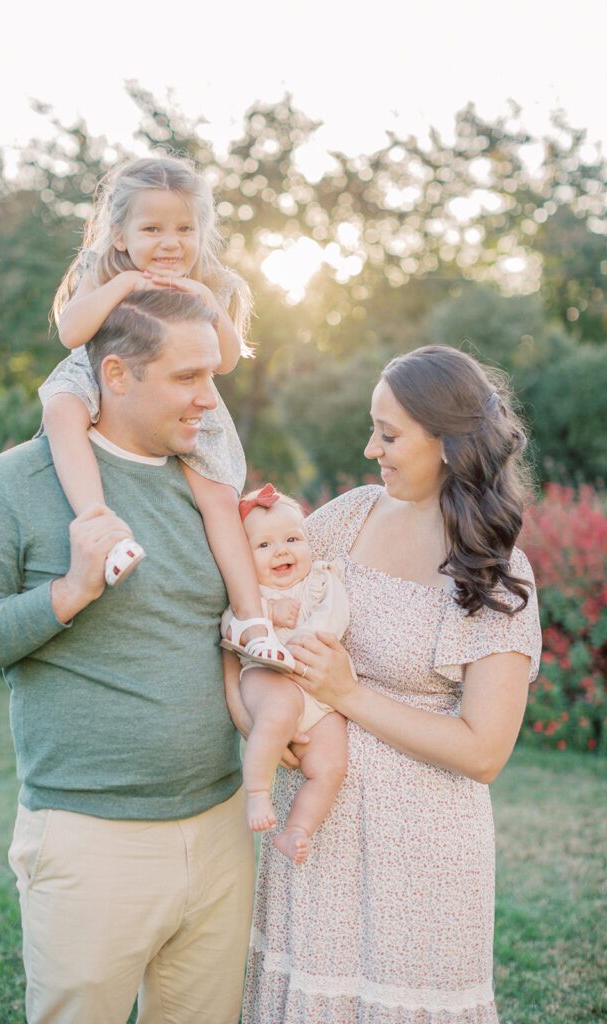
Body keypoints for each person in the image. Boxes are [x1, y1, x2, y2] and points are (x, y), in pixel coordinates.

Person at [0, 290, 256, 1024]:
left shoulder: (208, 485)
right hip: (89, 845)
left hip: (221, 830)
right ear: (115, 375)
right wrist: (68, 593)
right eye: (187, 378)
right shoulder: (20, 483)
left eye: (212, 375)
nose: (210, 400)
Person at [235, 345, 543, 1024]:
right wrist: (262, 718)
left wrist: (347, 696)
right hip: (317, 835)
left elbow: (483, 751)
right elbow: (254, 603)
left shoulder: (495, 568)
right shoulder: (350, 516)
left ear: (447, 439)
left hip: (422, 857)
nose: (371, 447)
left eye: (389, 433)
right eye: (373, 427)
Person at [41, 155, 293, 668]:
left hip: (185, 394)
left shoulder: (207, 282)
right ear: (120, 235)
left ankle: (250, 620)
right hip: (95, 371)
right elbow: (72, 334)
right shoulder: (105, 271)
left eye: (184, 228)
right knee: (61, 412)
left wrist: (205, 297)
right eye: (152, 228)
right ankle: (101, 528)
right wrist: (122, 287)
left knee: (218, 496)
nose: (170, 242)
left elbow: (223, 360)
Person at [222, 483, 349, 864]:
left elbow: (337, 615)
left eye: (292, 539)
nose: (281, 551)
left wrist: (314, 633)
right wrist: (265, 613)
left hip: (319, 692)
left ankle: (297, 829)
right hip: (268, 676)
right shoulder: (250, 594)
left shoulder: (322, 581)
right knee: (278, 712)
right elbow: (231, 628)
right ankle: (258, 791)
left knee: (332, 765)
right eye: (264, 546)